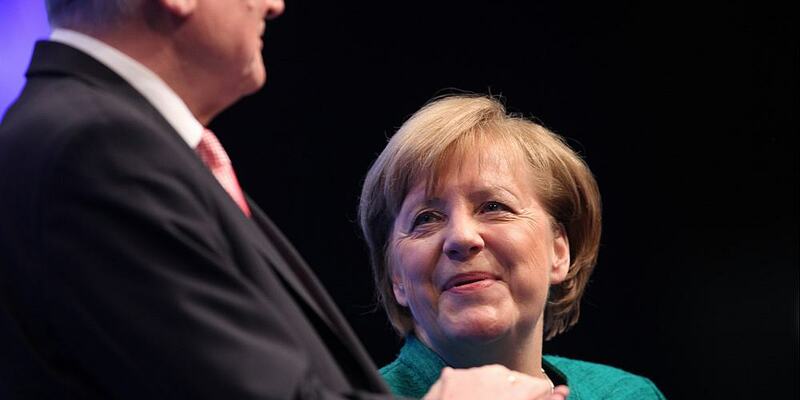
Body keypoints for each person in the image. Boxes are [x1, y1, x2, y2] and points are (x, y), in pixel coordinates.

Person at [0, 1, 567, 399]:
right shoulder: (95, 148)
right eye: (424, 218)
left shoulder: (104, 140)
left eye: (494, 206)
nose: (273, 5)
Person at [358, 95, 667, 399]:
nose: (462, 237)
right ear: (395, 274)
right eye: (426, 218)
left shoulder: (627, 394)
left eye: (493, 206)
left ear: (559, 250)